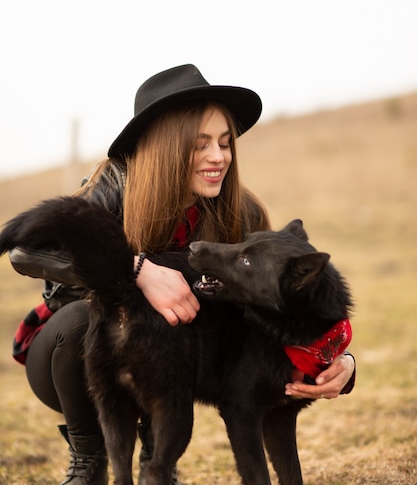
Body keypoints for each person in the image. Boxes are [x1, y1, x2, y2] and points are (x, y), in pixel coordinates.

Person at [8, 64, 355, 485]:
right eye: (200, 144)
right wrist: (136, 270)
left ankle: (158, 465)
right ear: (166, 146)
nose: (218, 156)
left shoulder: (242, 211)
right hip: (74, 353)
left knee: (179, 327)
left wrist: (341, 362)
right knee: (89, 317)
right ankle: (88, 460)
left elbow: (289, 300)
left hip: (171, 361)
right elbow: (27, 251)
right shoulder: (116, 183)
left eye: (225, 144)